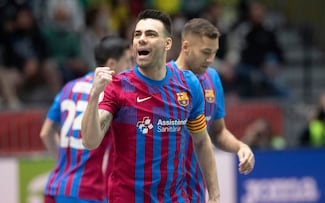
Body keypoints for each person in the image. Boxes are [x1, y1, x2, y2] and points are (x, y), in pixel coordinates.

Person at [81, 9, 220, 203]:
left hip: (174, 198)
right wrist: (94, 95)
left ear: (167, 44)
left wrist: (214, 195)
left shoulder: (188, 84)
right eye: (137, 34)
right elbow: (90, 141)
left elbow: (202, 141)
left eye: (150, 34)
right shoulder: (119, 86)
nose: (141, 39)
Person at [170, 18, 255, 202]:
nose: (211, 60)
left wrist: (241, 146)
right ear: (186, 47)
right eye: (205, 52)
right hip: (163, 194)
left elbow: (218, 132)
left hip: (197, 194)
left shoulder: (212, 78)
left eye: (214, 53)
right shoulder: (164, 80)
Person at [39, 35, 132, 203]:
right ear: (111, 64)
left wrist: (64, 163)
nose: (131, 68)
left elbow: (46, 133)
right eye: (127, 61)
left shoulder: (69, 87)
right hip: (87, 192)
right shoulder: (114, 96)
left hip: (55, 187)